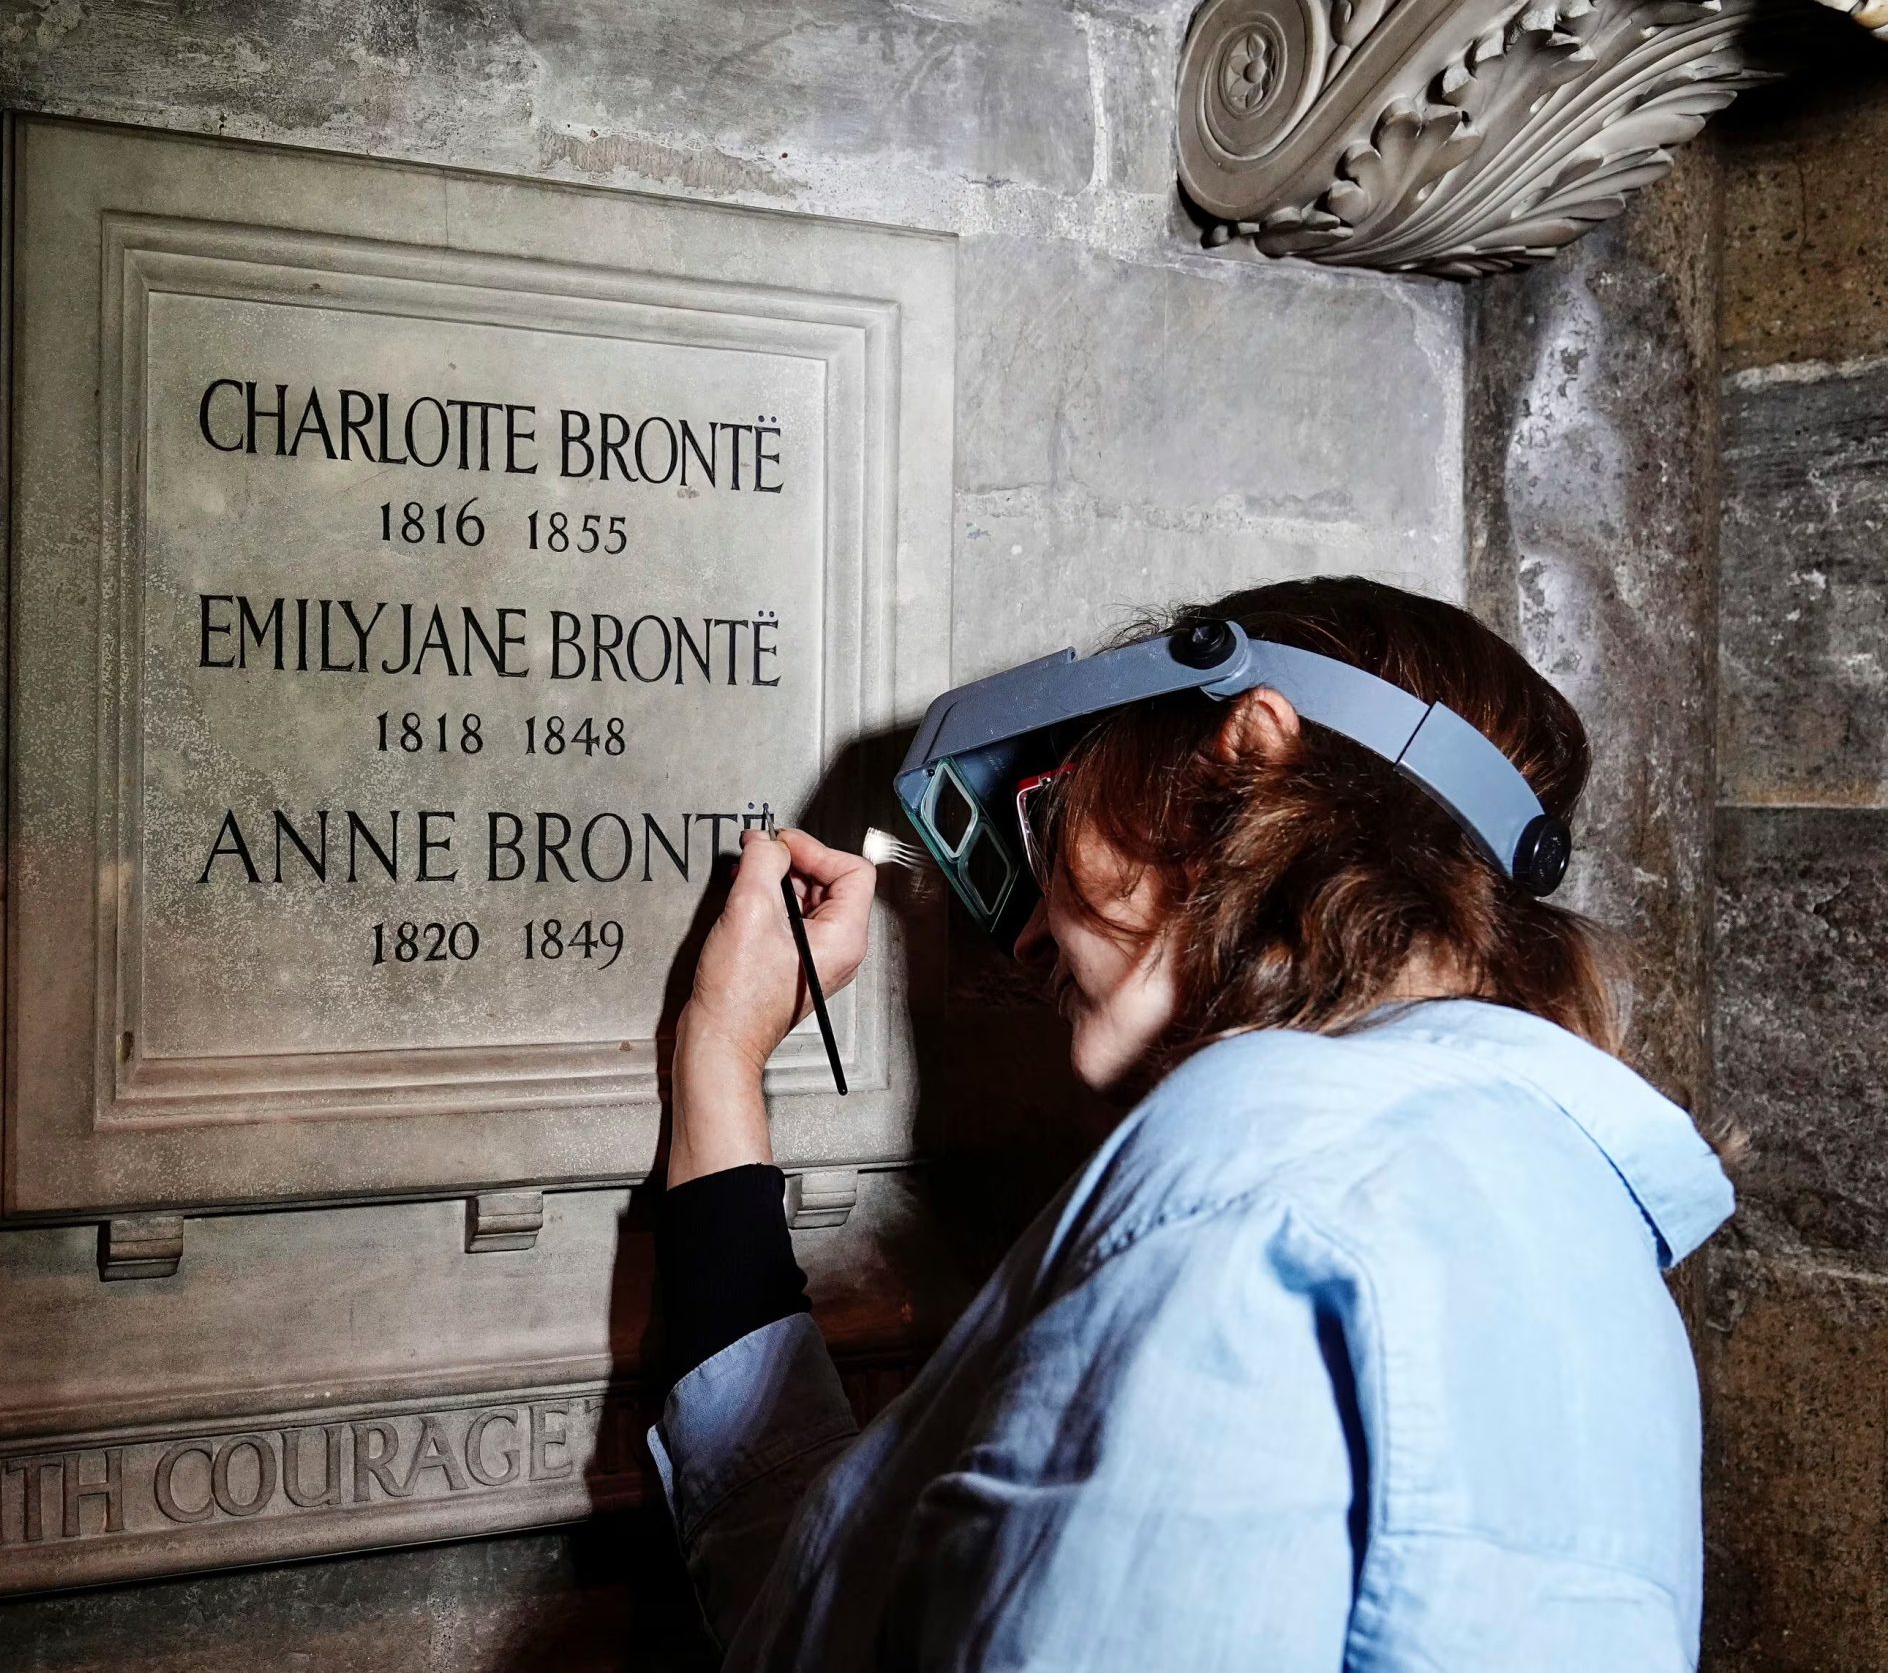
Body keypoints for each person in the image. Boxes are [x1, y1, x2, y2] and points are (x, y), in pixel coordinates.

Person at [650, 576, 1735, 1670]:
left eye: (1048, 812)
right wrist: (720, 1053)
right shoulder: (1579, 1238)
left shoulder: (1248, 1163)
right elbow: (846, 1590)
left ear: (1241, 758)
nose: (1024, 946)